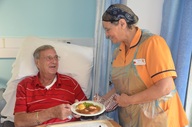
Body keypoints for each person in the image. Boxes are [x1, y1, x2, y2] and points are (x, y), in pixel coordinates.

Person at [97, 4, 189, 127]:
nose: (107, 35)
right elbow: (123, 85)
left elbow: (165, 87)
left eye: (108, 29)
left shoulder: (153, 43)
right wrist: (100, 102)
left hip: (158, 119)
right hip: (133, 119)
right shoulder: (119, 50)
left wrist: (129, 100)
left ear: (122, 24)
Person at [13, 45, 87, 127]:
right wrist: (52, 113)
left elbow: (87, 109)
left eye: (56, 58)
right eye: (49, 58)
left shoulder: (71, 83)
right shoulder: (24, 85)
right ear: (37, 62)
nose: (54, 61)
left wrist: (79, 111)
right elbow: (19, 122)